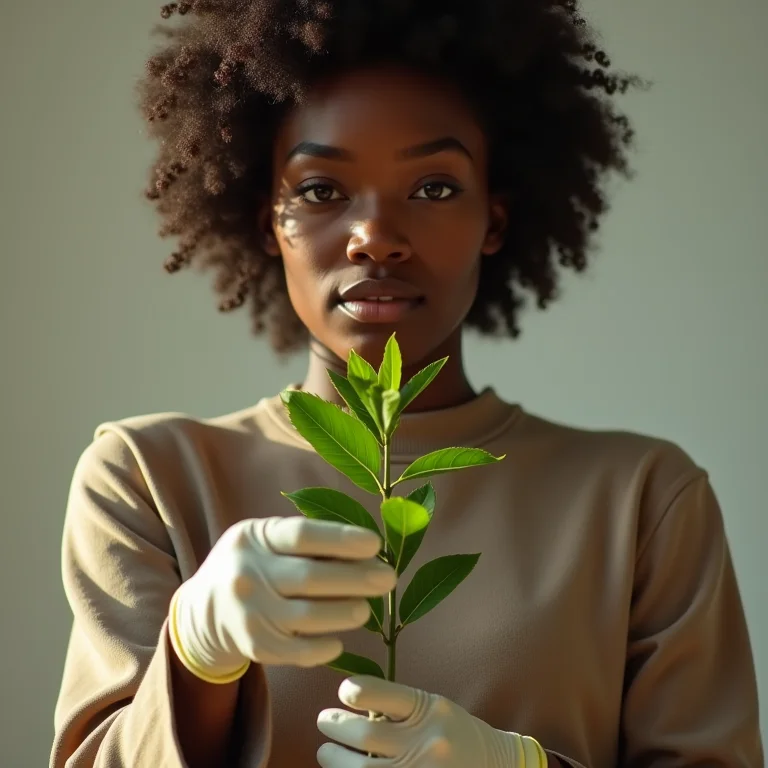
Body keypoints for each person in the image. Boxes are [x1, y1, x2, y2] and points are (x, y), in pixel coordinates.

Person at [51, 0, 763, 766]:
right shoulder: (148, 479)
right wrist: (194, 654)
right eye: (322, 190)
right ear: (268, 223)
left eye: (433, 189)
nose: (376, 237)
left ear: (494, 219)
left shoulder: (645, 501)